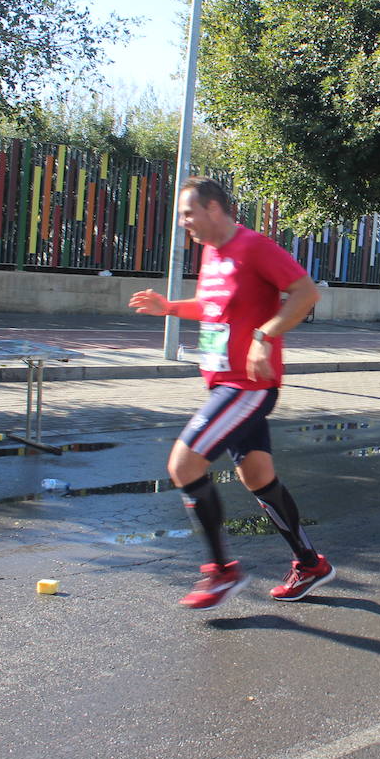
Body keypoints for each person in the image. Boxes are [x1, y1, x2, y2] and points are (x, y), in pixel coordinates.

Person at [128, 176, 333, 609]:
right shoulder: (211, 252)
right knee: (257, 477)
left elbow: (305, 292)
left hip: (249, 385)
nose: (184, 224)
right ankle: (310, 562)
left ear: (214, 209)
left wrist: (265, 335)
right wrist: (171, 308)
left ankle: (221, 573)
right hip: (222, 382)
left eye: (188, 214)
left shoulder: (254, 246)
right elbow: (213, 307)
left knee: (184, 464)